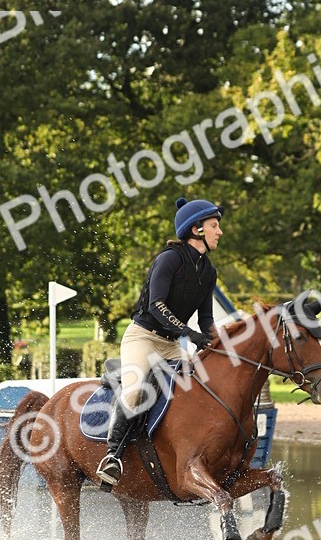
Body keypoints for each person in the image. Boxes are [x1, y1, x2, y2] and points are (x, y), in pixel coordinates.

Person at [95, 195, 224, 486]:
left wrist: (221, 344)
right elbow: (157, 306)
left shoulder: (208, 271)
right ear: (197, 229)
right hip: (143, 338)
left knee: (199, 387)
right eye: (214, 225)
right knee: (136, 390)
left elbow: (205, 320)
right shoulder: (170, 259)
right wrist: (189, 334)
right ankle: (112, 457)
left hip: (170, 345)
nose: (220, 231)